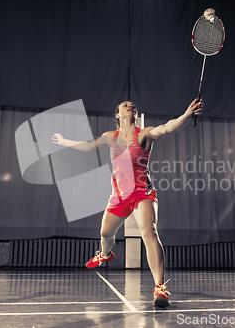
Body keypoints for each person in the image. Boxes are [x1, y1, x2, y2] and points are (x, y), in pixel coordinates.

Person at [52, 99, 203, 307]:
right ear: (117, 114)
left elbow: (166, 128)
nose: (130, 106)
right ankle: (105, 255)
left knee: (149, 231)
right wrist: (63, 141)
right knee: (105, 233)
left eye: (132, 105)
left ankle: (160, 288)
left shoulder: (144, 134)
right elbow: (87, 146)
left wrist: (186, 116)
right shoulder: (109, 137)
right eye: (125, 105)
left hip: (143, 193)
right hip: (119, 196)